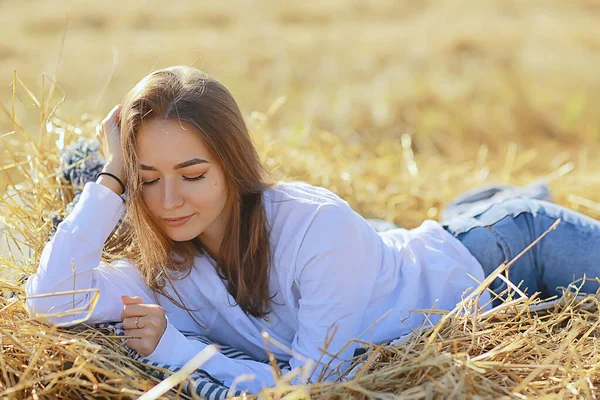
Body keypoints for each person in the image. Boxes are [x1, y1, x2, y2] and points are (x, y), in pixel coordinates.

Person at [24, 66, 600, 394]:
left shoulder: (315, 222)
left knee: (450, 232)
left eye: (193, 174)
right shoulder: (163, 267)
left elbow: (309, 387)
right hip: (385, 265)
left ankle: (506, 203)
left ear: (233, 164)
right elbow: (51, 299)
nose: (169, 201)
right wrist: (109, 177)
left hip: (512, 255)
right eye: (147, 178)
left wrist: (179, 350)